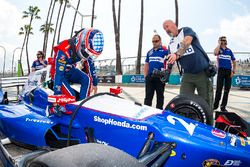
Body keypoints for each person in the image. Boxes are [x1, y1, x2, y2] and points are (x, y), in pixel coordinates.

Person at [163, 20, 213, 110]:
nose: (166, 30)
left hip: (202, 72)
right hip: (187, 75)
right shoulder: (171, 44)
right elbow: (171, 60)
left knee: (206, 103)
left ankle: (208, 124)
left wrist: (177, 54)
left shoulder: (186, 30)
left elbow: (187, 41)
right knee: (183, 100)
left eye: (167, 26)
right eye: (164, 29)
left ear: (174, 24)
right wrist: (167, 73)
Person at [51, 28, 104, 101]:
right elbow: (59, 74)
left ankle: (83, 102)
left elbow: (91, 66)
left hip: (70, 70)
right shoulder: (64, 49)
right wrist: (57, 95)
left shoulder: (87, 49)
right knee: (71, 96)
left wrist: (95, 83)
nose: (88, 54)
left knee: (86, 79)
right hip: (58, 73)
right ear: (80, 42)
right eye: (87, 52)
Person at [144, 34, 168, 109]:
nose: (154, 43)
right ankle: (145, 113)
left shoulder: (165, 51)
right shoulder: (149, 52)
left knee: (160, 97)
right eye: (153, 41)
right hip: (150, 78)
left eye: (156, 41)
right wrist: (145, 76)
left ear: (160, 41)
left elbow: (170, 61)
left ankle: (159, 114)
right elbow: (146, 64)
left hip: (159, 78)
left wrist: (166, 74)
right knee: (148, 97)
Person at [213, 36, 236, 112]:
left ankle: (223, 107)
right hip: (221, 70)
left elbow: (234, 61)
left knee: (227, 90)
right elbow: (215, 53)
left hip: (228, 71)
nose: (224, 41)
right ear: (220, 41)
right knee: (219, 89)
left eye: (225, 40)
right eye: (222, 40)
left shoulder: (229, 50)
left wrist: (233, 71)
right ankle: (215, 105)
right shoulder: (219, 49)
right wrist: (218, 44)